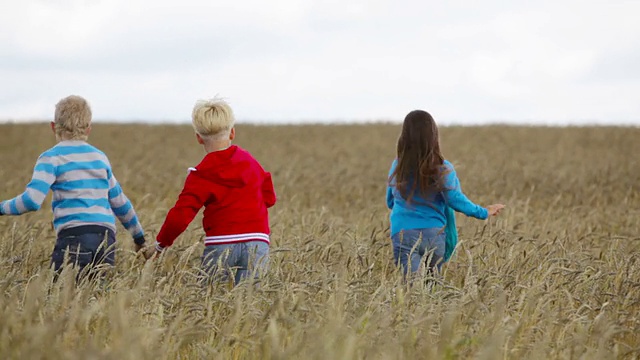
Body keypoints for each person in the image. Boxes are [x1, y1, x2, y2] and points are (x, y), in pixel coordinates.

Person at [0, 95, 146, 278]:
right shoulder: (100, 158)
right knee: (99, 299)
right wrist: (139, 238)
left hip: (74, 237)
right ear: (89, 129)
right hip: (106, 239)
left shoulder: (51, 157)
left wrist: (2, 207)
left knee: (64, 300)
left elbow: (31, 201)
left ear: (53, 126)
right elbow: (120, 203)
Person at [144, 98, 276, 286]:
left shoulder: (200, 174)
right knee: (252, 306)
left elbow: (180, 216)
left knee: (207, 304)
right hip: (258, 243)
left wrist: (161, 245)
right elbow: (270, 198)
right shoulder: (251, 163)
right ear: (232, 132)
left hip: (220, 245)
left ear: (198, 137)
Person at [386, 110, 504, 279]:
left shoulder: (397, 166)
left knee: (412, 291)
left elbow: (390, 201)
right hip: (434, 235)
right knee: (432, 288)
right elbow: (455, 199)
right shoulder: (443, 168)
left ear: (404, 137)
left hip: (403, 233)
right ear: (433, 136)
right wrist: (484, 212)